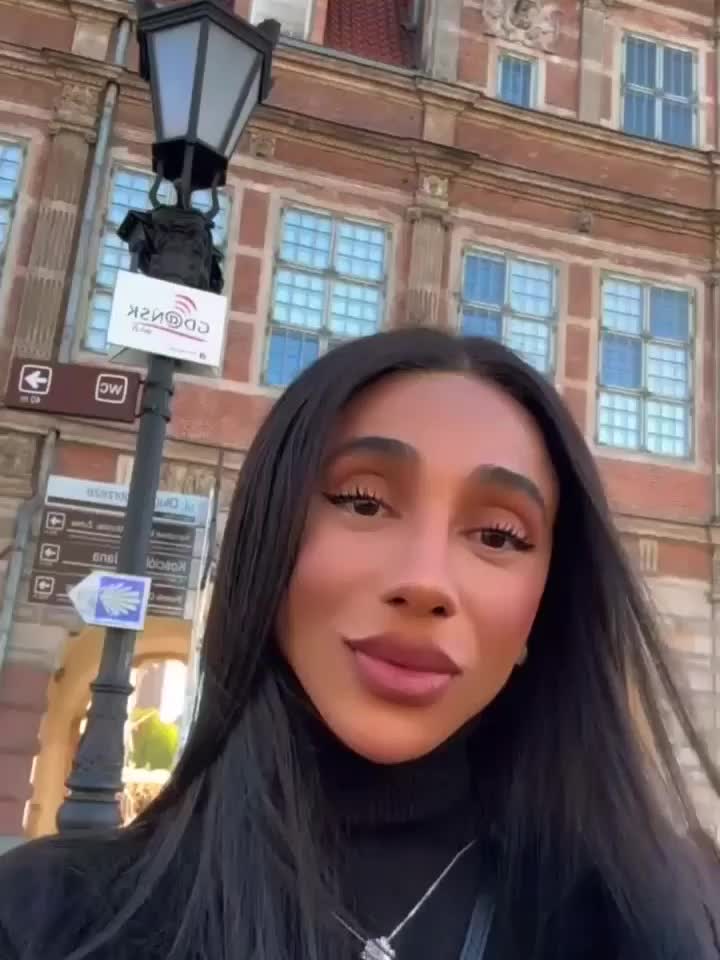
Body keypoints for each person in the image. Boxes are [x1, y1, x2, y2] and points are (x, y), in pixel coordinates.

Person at [0, 327, 718, 960]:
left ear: (544, 610)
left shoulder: (650, 925)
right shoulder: (42, 921)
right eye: (364, 502)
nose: (425, 581)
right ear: (271, 542)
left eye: (499, 536)